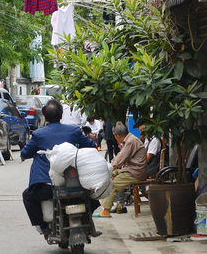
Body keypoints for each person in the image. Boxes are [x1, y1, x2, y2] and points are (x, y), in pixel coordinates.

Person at [20, 99, 98, 236]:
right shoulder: (74, 131)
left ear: (45, 118)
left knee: (27, 196)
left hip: (47, 187)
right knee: (92, 197)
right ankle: (88, 217)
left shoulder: (38, 134)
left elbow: (25, 153)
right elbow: (91, 146)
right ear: (61, 116)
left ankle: (43, 226)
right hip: (76, 184)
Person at [95, 122, 147, 217]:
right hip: (131, 169)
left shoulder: (130, 141)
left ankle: (106, 210)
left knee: (112, 185)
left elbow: (121, 158)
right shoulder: (129, 139)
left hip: (135, 172)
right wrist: (111, 167)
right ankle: (108, 204)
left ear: (117, 135)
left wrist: (112, 167)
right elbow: (119, 156)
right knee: (112, 173)